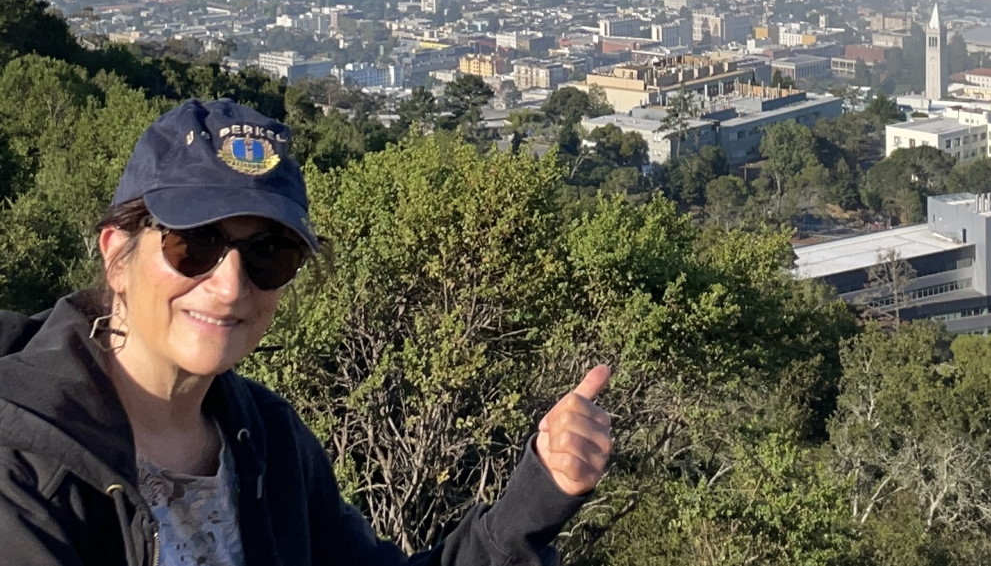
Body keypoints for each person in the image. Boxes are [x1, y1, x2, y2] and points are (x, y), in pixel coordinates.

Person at [0, 98, 614, 565]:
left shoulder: (264, 440)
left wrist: (538, 496)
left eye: (268, 254)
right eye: (195, 244)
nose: (230, 285)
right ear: (117, 255)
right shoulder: (26, 460)